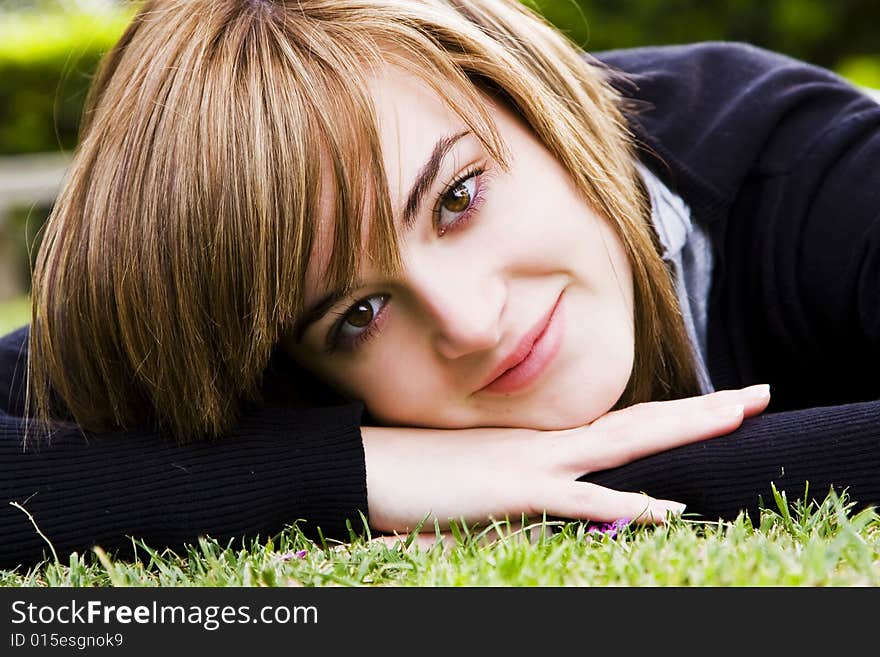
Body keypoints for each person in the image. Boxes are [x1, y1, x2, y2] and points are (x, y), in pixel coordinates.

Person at [2, 0, 879, 571]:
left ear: (527, 101)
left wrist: (546, 480)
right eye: (358, 315)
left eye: (457, 197)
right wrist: (360, 468)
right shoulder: (261, 319)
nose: (469, 320)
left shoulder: (795, 163)